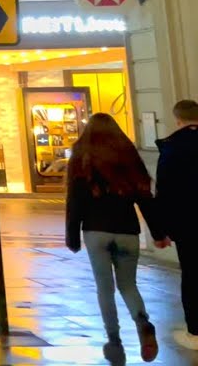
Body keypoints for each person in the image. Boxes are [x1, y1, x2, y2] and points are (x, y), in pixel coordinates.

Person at [65, 113, 164, 364]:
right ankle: (142, 323)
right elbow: (145, 198)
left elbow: (75, 200)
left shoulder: (82, 157)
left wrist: (72, 235)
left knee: (104, 288)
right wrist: (158, 233)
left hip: (96, 231)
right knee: (128, 285)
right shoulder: (128, 156)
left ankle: (114, 339)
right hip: (127, 230)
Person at [156, 99, 198, 350]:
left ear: (178, 119)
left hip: (188, 225)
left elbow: (165, 192)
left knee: (192, 275)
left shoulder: (172, 148)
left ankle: (195, 332)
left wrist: (163, 230)